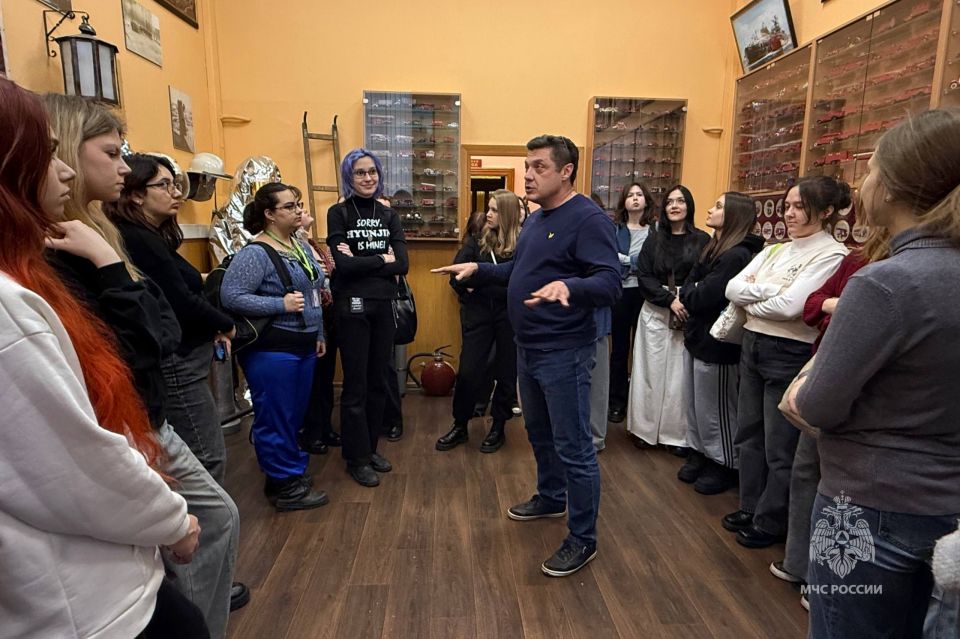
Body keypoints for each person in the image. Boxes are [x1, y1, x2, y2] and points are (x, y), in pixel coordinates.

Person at [0, 75, 204, 639]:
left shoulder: (89, 238)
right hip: (85, 602)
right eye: (47, 154)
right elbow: (75, 461)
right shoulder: (24, 291)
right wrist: (172, 522)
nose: (63, 171)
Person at [42, 95, 245, 632]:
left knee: (210, 516)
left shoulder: (97, 230)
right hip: (128, 420)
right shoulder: (75, 246)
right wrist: (110, 266)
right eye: (111, 154)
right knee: (210, 517)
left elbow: (160, 323)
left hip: (142, 411)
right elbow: (146, 338)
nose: (122, 167)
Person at [790, 109, 960, 638]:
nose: (863, 185)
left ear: (892, 186)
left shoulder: (884, 284)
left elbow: (817, 406)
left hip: (868, 506)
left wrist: (805, 384)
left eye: (870, 171)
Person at [433, 135, 621, 577]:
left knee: (574, 446)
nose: (529, 176)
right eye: (527, 167)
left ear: (566, 171)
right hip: (529, 346)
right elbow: (519, 271)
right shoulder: (536, 219)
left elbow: (610, 282)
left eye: (539, 167)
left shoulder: (588, 219)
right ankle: (551, 497)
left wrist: (569, 286)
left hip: (565, 350)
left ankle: (583, 538)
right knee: (539, 432)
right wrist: (479, 269)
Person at [722, 176, 848, 549]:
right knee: (749, 433)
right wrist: (769, 292)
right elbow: (732, 288)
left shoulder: (831, 254)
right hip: (753, 342)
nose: (789, 213)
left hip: (789, 350)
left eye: (799, 206)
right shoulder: (775, 249)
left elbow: (793, 307)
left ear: (825, 211)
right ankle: (750, 505)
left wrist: (755, 297)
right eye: (787, 206)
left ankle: (771, 519)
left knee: (780, 444)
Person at [770, 227, 889, 604]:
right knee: (806, 471)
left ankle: (823, 583)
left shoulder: (895, 273)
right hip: (827, 371)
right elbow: (812, 305)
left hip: (866, 390)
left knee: (843, 489)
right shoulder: (858, 258)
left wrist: (836, 308)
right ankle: (798, 562)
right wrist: (834, 306)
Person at [105, 154, 236, 486]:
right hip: (178, 360)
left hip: (187, 355)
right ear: (137, 194)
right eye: (164, 185)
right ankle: (202, 518)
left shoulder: (152, 236)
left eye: (175, 184)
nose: (177, 192)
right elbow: (180, 299)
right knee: (206, 455)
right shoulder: (137, 238)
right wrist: (225, 323)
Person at [221, 182, 329, 511]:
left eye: (298, 204)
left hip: (304, 345)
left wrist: (319, 332)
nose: (298, 210)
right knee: (275, 417)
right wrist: (279, 304)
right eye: (290, 206)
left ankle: (290, 472)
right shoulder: (256, 252)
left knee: (292, 415)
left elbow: (313, 294)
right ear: (269, 214)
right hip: (272, 350)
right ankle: (283, 486)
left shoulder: (296, 245)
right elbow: (231, 295)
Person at [326, 149, 408, 487]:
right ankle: (355, 458)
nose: (368, 178)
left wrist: (364, 259)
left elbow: (403, 264)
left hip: (383, 306)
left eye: (372, 171)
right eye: (360, 172)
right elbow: (343, 266)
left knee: (378, 383)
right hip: (352, 306)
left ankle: (370, 448)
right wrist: (380, 259)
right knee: (355, 385)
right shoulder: (339, 213)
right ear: (349, 176)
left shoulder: (388, 214)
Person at [677, 192, 763, 494]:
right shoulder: (713, 247)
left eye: (718, 207)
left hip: (719, 345)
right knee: (696, 405)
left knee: (717, 410)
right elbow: (689, 285)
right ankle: (700, 452)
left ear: (734, 215)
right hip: (698, 337)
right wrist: (691, 290)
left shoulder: (736, 254)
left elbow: (705, 295)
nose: (710, 210)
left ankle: (724, 462)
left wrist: (691, 291)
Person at [436, 189, 520, 453]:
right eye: (489, 209)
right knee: (469, 371)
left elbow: (519, 282)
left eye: (494, 210)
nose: (488, 214)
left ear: (507, 213)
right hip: (479, 314)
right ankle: (460, 424)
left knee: (506, 373)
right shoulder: (476, 241)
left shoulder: (523, 245)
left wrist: (482, 282)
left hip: (509, 316)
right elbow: (456, 276)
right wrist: (484, 287)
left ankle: (498, 427)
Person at [626, 185, 709, 449]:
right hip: (656, 309)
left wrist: (684, 300)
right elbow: (644, 276)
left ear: (689, 206)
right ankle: (644, 430)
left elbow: (706, 276)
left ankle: (676, 435)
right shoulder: (654, 239)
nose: (674, 206)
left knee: (679, 375)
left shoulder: (702, 240)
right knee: (649, 371)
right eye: (670, 201)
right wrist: (669, 300)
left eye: (680, 201)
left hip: (687, 310)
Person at [293, 196, 342, 455]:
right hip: (309, 317)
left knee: (325, 377)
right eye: (295, 206)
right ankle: (311, 432)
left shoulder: (313, 243)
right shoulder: (294, 245)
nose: (302, 210)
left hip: (328, 316)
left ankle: (325, 427)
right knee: (312, 379)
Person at [608, 182, 656, 423]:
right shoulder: (615, 229)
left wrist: (628, 260)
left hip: (646, 293)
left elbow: (654, 261)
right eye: (630, 195)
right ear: (623, 201)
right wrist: (636, 262)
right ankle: (617, 401)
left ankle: (641, 406)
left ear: (646, 200)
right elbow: (610, 258)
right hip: (620, 293)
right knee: (619, 350)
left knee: (644, 350)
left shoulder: (655, 231)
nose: (635, 198)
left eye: (639, 194)